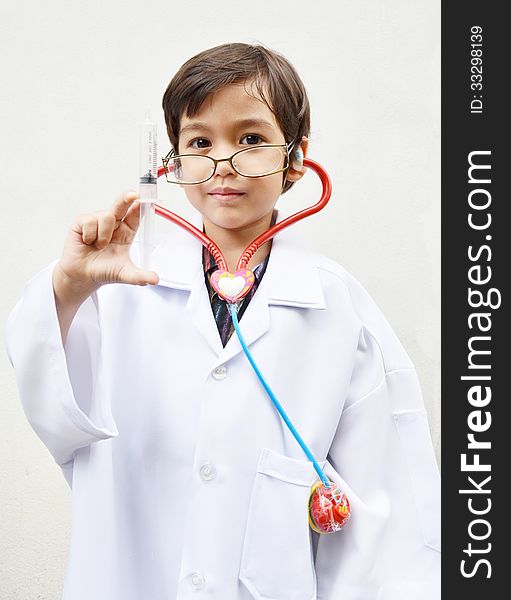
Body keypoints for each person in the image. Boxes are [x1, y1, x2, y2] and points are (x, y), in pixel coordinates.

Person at [5, 43, 440, 600]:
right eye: (200, 142)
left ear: (297, 158)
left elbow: (385, 511)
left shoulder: (337, 309)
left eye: (252, 139)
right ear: (173, 161)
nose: (224, 164)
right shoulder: (119, 283)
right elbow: (57, 411)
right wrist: (68, 287)